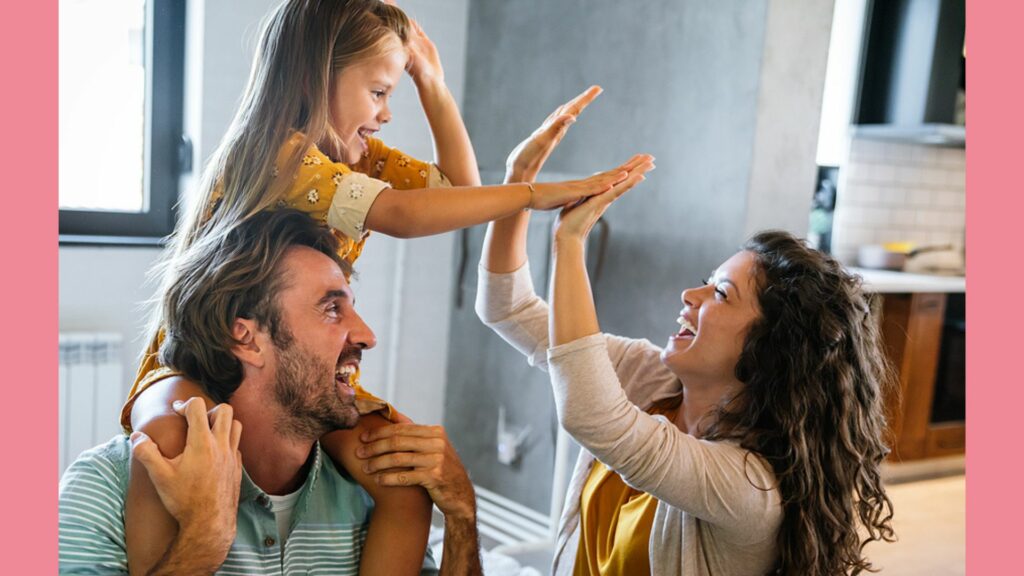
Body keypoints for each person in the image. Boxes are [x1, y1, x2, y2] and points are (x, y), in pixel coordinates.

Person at [120, 0, 643, 572]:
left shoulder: (357, 159)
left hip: (299, 373)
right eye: (377, 92)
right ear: (317, 78)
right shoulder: (280, 153)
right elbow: (403, 214)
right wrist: (531, 195)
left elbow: (456, 195)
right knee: (172, 437)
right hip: (199, 362)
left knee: (401, 478)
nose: (387, 113)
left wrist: (435, 87)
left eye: (393, 93)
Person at [475, 125, 896, 573]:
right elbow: (508, 308)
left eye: (721, 294)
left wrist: (570, 241)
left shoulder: (748, 486)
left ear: (773, 345)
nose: (690, 295)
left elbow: (591, 416)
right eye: (705, 282)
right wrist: (518, 180)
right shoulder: (649, 376)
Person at [59, 209, 482, 575]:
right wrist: (201, 543)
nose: (368, 335)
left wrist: (463, 517)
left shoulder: (370, 490)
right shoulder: (102, 490)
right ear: (247, 340)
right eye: (332, 308)